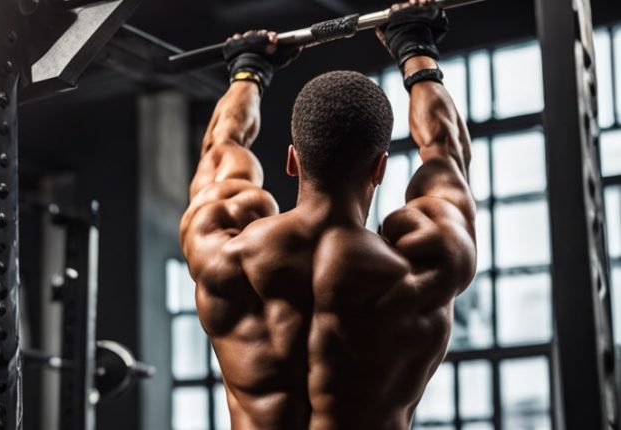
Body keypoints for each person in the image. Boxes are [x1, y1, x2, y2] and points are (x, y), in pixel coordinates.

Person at [178, 0, 477, 428]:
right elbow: (446, 153)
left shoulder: (224, 252)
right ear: (380, 168)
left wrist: (248, 71)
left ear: (292, 160)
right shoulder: (424, 262)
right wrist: (414, 48)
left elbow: (223, 146)